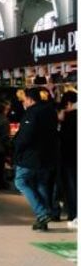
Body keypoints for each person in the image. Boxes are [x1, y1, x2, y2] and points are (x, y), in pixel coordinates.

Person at [13, 87, 59, 231]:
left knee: (20, 181)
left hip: (31, 156)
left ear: (30, 99)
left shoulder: (32, 113)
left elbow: (26, 136)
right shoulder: (50, 111)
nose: (23, 103)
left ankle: (42, 213)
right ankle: (43, 219)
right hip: (48, 155)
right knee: (41, 184)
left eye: (24, 100)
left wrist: (17, 149)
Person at [58, 91, 76, 227]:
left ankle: (73, 214)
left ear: (68, 103)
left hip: (68, 156)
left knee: (71, 186)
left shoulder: (67, 117)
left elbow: (62, 138)